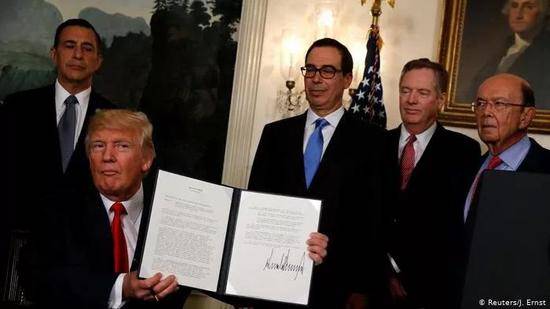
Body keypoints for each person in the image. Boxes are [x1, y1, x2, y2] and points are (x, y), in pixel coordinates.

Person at [248, 38, 387, 308]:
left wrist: (360, 289)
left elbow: (374, 221)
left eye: (327, 71)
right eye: (310, 70)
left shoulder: (373, 142)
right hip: (273, 283)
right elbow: (256, 205)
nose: (316, 79)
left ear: (347, 79)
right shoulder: (275, 135)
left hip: (338, 287)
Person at [1, 18, 116, 299]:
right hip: (15, 254)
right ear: (54, 54)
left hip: (85, 267)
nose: (78, 55)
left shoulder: (115, 118)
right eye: (69, 45)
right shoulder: (17, 108)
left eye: (87, 48)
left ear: (98, 61)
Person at [384, 59, 480, 309]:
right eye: (405, 90)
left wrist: (407, 276)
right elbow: (360, 216)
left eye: (422, 92)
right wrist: (385, 272)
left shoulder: (463, 151)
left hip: (431, 292)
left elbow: (454, 227)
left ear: (441, 100)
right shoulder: (373, 145)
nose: (411, 99)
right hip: (372, 286)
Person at [464, 73, 550, 225]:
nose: (486, 112)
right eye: (481, 104)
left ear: (525, 116)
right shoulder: (465, 166)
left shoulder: (546, 168)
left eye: (499, 104)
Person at [473, 0, 550, 108]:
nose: (518, 14)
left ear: (543, 12)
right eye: (514, 6)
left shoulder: (545, 51)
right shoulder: (504, 47)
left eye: (528, 7)